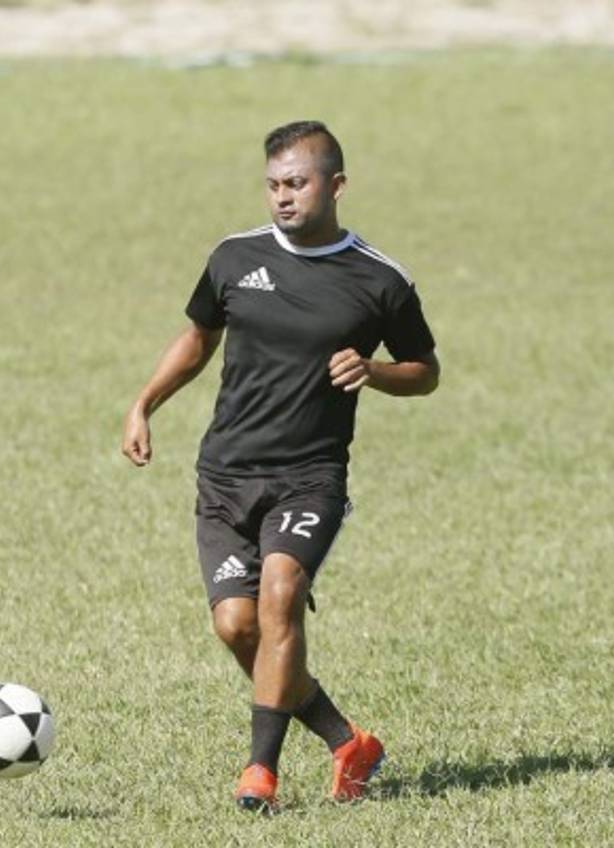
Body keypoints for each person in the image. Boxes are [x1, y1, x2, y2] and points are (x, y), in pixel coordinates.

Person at [120, 120, 440, 813]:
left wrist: (375, 371)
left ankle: (259, 774)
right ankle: (346, 741)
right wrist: (145, 402)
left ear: (336, 186)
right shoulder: (235, 258)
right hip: (226, 474)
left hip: (310, 475)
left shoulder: (379, 279)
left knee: (281, 594)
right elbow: (199, 338)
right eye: (272, 185)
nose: (282, 198)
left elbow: (426, 371)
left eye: (295, 183)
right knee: (237, 627)